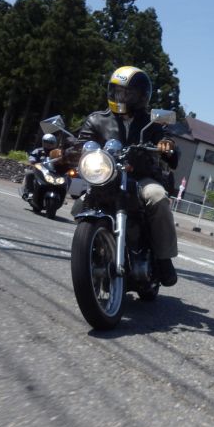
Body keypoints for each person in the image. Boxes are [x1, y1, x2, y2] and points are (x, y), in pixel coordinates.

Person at [74, 65, 180, 286]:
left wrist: (166, 145)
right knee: (80, 204)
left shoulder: (151, 123)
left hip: (141, 178)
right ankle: (91, 250)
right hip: (107, 176)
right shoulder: (96, 120)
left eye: (127, 93)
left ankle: (164, 258)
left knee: (158, 198)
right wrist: (68, 150)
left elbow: (167, 142)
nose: (121, 96)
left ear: (141, 96)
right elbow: (81, 143)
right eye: (117, 91)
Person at [21, 133, 58, 200]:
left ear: (54, 143)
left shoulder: (57, 153)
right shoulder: (38, 151)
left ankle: (60, 195)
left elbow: (62, 160)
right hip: (39, 171)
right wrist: (34, 162)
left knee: (66, 178)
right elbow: (32, 159)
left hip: (52, 172)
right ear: (43, 142)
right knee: (29, 173)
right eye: (46, 142)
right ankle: (30, 192)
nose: (49, 144)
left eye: (51, 142)